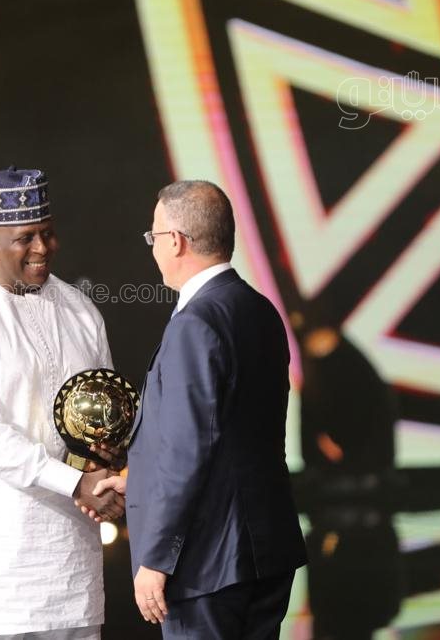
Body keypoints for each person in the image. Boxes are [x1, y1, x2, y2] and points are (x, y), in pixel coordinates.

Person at [84, 180, 307, 638]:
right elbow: (231, 437)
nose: (152, 248)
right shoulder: (260, 310)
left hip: (206, 565)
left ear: (176, 241)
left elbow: (188, 449)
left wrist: (157, 559)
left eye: (153, 236)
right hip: (265, 551)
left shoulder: (195, 323)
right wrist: (140, 480)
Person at [0, 166, 124, 640]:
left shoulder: (79, 310)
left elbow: (105, 412)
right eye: (25, 238)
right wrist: (76, 483)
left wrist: (104, 465)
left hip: (72, 572)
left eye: (47, 233)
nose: (42, 248)